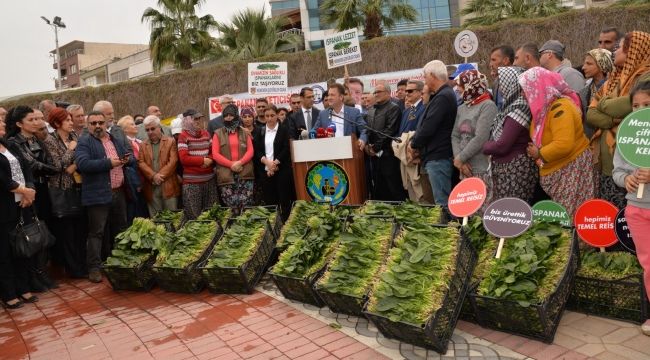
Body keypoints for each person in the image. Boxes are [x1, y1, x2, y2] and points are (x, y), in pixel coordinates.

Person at [519, 67, 596, 216]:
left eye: (526, 89)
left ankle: (575, 241)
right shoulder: (545, 110)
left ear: (539, 87)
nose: (523, 94)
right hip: (557, 169)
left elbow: (563, 144)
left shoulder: (561, 108)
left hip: (571, 170)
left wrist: (539, 153)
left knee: (571, 217)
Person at [587, 30, 650, 209]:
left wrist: (605, 104)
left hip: (636, 168)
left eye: (621, 48)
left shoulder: (646, 77)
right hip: (614, 164)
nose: (615, 52)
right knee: (614, 219)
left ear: (634, 50)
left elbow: (618, 106)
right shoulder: (616, 77)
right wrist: (612, 121)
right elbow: (591, 113)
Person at [75, 111, 134, 283]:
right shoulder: (85, 141)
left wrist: (126, 160)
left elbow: (128, 157)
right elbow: (82, 164)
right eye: (93, 123)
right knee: (96, 232)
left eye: (100, 122)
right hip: (97, 194)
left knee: (121, 229)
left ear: (107, 122)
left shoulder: (113, 138)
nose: (97, 126)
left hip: (118, 191)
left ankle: (121, 262)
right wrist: (109, 163)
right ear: (88, 125)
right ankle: (94, 268)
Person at [5, 106, 59, 291]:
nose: (37, 123)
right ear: (19, 123)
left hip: (39, 188)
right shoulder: (13, 142)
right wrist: (54, 171)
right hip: (23, 193)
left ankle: (41, 273)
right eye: (32, 119)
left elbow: (51, 161)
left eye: (38, 119)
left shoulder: (38, 138)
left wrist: (49, 171)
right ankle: (33, 276)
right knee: (30, 234)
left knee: (41, 231)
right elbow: (32, 164)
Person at [612, 80, 650, 336]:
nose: (640, 110)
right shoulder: (627, 136)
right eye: (635, 105)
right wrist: (626, 179)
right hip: (636, 209)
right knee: (649, 264)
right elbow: (617, 170)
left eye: (647, 105)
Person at [42, 108, 87, 279]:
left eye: (70, 119)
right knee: (67, 233)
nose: (71, 122)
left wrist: (73, 165)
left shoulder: (75, 137)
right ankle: (73, 269)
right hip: (62, 191)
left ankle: (82, 265)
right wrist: (71, 150)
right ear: (56, 123)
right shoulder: (50, 140)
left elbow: (80, 161)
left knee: (80, 230)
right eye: (67, 120)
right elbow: (58, 166)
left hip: (79, 187)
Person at [482, 67, 538, 204]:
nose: (500, 88)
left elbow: (502, 145)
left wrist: (484, 146)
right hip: (506, 170)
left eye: (502, 83)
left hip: (514, 171)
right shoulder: (510, 105)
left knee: (511, 212)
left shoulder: (520, 108)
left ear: (512, 84)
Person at [0, 115, 38, 308]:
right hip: (4, 208)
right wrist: (25, 191)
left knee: (23, 248)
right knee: (5, 252)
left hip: (23, 204)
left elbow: (26, 169)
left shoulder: (10, 145)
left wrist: (29, 191)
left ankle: (24, 288)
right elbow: (3, 180)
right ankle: (8, 293)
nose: (2, 124)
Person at [409, 60, 457, 213]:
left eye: (425, 76)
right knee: (439, 202)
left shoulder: (443, 96)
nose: (424, 79)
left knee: (442, 203)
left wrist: (413, 144)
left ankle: (448, 232)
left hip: (439, 156)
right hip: (435, 155)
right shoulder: (441, 95)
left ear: (431, 75)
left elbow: (428, 127)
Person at [451, 69, 498, 212]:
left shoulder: (488, 106)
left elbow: (481, 137)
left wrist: (461, 158)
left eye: (460, 86)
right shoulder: (462, 108)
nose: (457, 89)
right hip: (464, 167)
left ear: (471, 86)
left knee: (482, 210)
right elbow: (455, 135)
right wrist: (459, 160)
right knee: (468, 211)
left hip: (480, 167)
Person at [365, 81, 404, 201]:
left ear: (388, 93)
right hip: (374, 156)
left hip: (388, 155)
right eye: (375, 92)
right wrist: (367, 146)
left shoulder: (394, 108)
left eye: (379, 92)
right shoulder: (371, 110)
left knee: (392, 187)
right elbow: (367, 130)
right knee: (378, 188)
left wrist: (375, 147)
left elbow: (389, 131)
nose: (376, 94)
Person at [253, 106, 293, 220]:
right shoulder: (259, 130)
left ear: (277, 115)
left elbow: (286, 149)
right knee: (270, 202)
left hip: (282, 170)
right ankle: (274, 227)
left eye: (272, 115)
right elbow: (257, 150)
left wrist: (274, 164)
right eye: (267, 116)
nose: (269, 118)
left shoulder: (284, 130)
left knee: (285, 201)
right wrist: (267, 163)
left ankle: (286, 225)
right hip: (265, 171)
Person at [211, 104, 254, 210]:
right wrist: (231, 165)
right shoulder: (217, 134)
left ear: (236, 116)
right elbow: (215, 154)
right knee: (232, 208)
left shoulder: (244, 132)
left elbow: (250, 151)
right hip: (227, 176)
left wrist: (240, 163)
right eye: (226, 115)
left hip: (244, 173)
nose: (228, 117)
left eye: (231, 115)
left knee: (246, 207)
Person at [177, 109, 218, 220]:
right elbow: (184, 158)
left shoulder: (206, 134)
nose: (199, 121)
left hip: (209, 180)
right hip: (192, 183)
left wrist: (209, 159)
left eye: (200, 118)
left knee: (212, 215)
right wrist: (202, 161)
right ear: (187, 120)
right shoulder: (183, 136)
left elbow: (213, 151)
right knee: (194, 217)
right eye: (195, 119)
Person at [138, 115, 180, 216]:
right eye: (147, 130)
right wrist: (153, 176)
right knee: (155, 219)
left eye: (153, 129)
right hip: (151, 187)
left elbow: (173, 161)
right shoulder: (143, 145)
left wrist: (159, 176)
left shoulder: (171, 141)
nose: (150, 132)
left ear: (159, 127)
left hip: (168, 185)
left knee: (172, 218)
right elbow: (140, 162)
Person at [312, 83, 368, 149]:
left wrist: (362, 140)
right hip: (330, 152)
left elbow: (364, 129)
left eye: (332, 95)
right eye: (328, 95)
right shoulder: (323, 114)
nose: (329, 98)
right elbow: (314, 131)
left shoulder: (354, 112)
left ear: (341, 97)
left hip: (349, 151)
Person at [579, 49, 614, 139]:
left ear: (602, 65)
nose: (583, 67)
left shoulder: (615, 89)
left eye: (589, 64)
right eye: (585, 63)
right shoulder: (584, 92)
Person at [117, 115, 146, 224]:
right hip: (133, 184)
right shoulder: (123, 144)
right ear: (124, 129)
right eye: (132, 124)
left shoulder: (141, 142)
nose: (135, 126)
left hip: (145, 182)